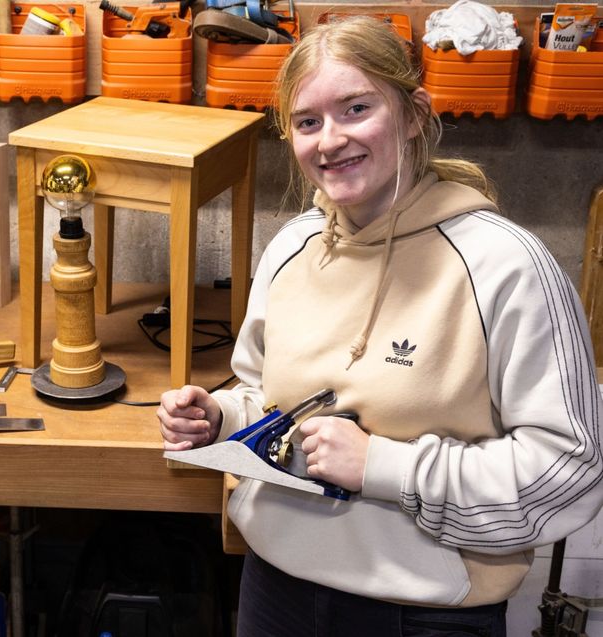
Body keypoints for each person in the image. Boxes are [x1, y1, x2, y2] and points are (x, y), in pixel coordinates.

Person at [158, 15, 603, 637]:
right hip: (273, 588)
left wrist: (384, 468)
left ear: (414, 113)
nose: (330, 140)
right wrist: (223, 417)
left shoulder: (507, 266)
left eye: (356, 109)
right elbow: (269, 399)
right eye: (307, 122)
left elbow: (569, 473)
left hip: (426, 613)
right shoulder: (291, 247)